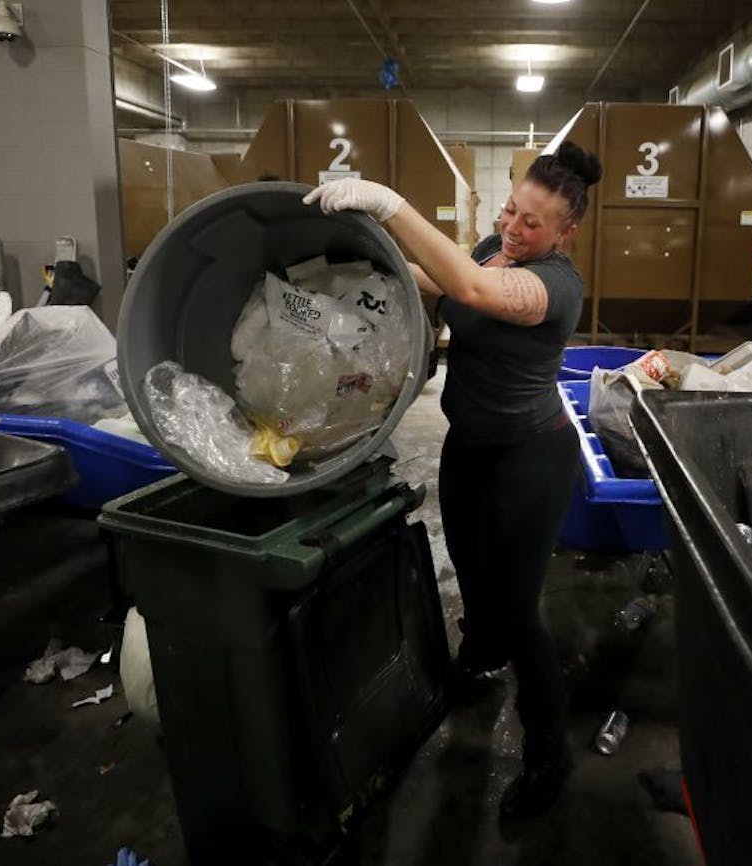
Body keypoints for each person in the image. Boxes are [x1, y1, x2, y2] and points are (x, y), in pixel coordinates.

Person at [304, 141, 603, 819]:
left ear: (566, 232)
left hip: (531, 456)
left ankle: (547, 754)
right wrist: (351, 261)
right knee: (469, 565)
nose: (514, 227)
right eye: (511, 210)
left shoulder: (554, 286)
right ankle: (478, 659)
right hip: (468, 445)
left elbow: (470, 292)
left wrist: (390, 204)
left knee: (520, 607)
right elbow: (441, 278)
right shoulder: (494, 249)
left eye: (533, 222)